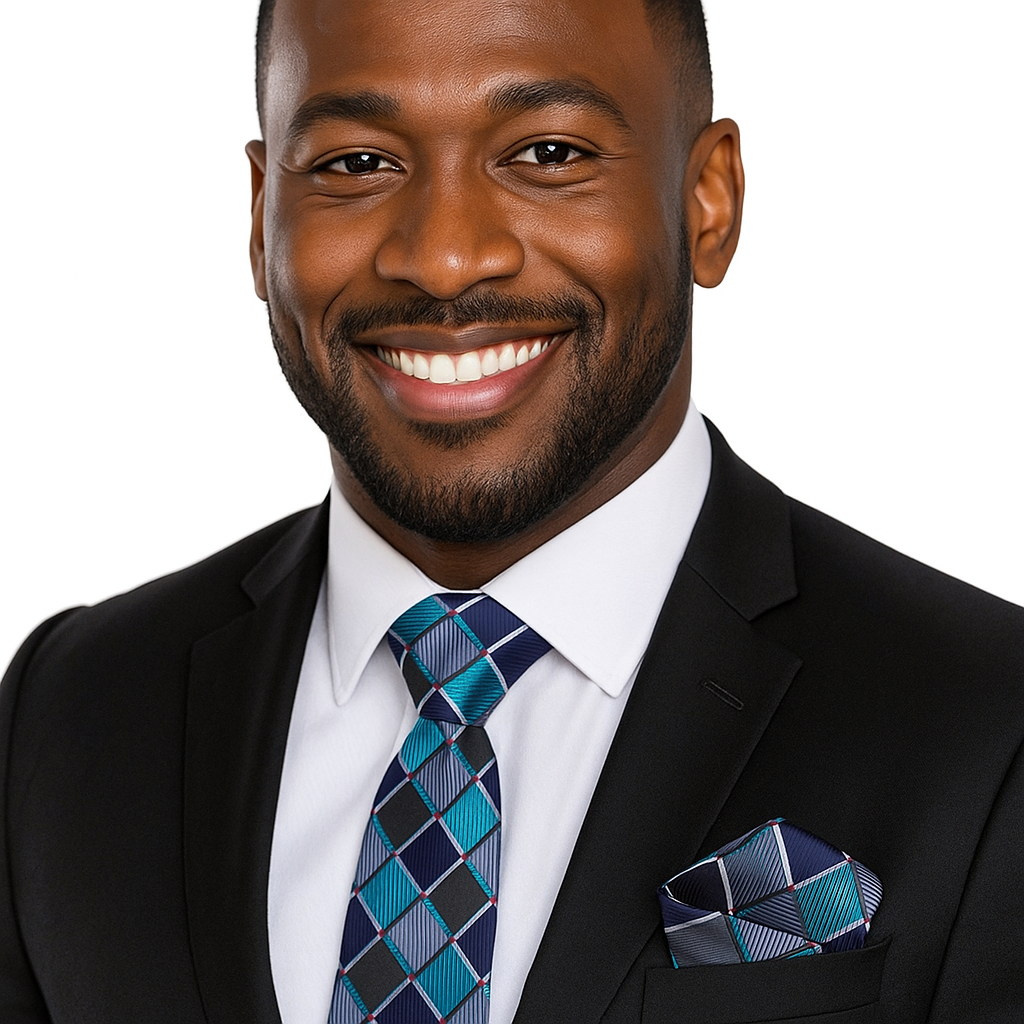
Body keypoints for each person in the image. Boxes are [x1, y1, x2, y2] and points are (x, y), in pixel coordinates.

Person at [1, 0, 1021, 1021]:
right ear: (263, 211)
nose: (445, 259)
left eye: (547, 153)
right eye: (357, 164)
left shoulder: (987, 727)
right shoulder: (70, 713)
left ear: (708, 201)